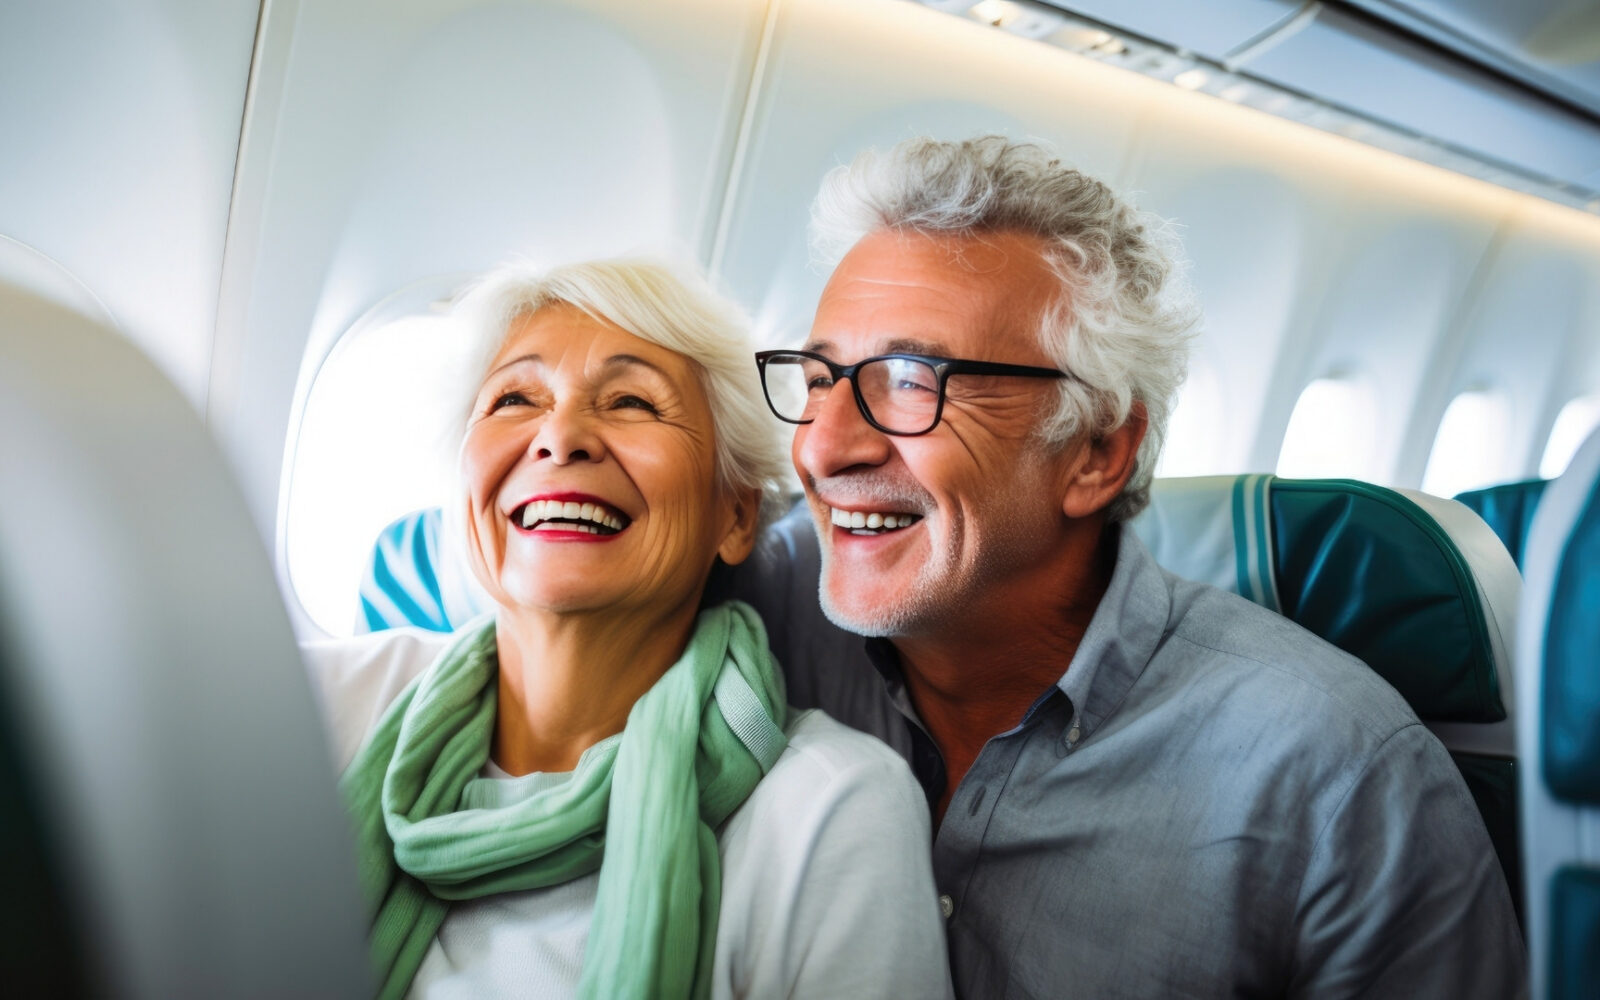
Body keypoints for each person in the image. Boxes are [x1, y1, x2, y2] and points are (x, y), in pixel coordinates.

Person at [747, 136, 1527, 997]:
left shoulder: (1338, 778)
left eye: (910, 379)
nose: (822, 447)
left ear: (1097, 453)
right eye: (820, 376)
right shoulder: (754, 616)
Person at [302, 258, 954, 1000]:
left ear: (735, 515)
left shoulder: (830, 811)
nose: (560, 436)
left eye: (632, 403)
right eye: (515, 398)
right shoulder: (313, 706)